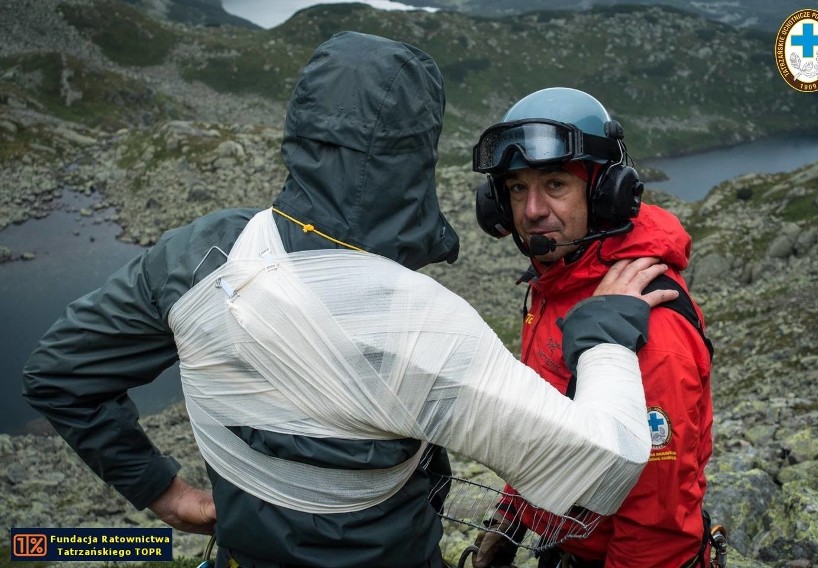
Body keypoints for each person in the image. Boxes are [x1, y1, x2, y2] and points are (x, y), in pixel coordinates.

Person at [23, 35, 677, 568]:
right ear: (413, 159)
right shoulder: (431, 330)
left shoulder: (202, 253)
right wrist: (605, 338)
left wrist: (162, 492)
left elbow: (58, 373)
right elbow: (606, 465)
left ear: (304, 127)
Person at [469, 87, 714, 568]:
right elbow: (550, 422)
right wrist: (512, 516)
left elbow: (657, 530)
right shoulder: (556, 284)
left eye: (555, 184)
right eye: (518, 187)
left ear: (606, 193)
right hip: (564, 542)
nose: (533, 209)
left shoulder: (649, 323)